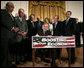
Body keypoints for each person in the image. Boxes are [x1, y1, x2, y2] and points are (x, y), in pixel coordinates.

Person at [1, 2, 19, 67]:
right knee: (4, 51)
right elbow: (3, 21)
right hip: (4, 36)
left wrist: (17, 28)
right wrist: (12, 28)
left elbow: (14, 24)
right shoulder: (2, 12)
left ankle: (8, 64)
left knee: (9, 51)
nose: (13, 9)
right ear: (7, 7)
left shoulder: (12, 15)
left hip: (11, 36)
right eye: (11, 7)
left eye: (13, 7)